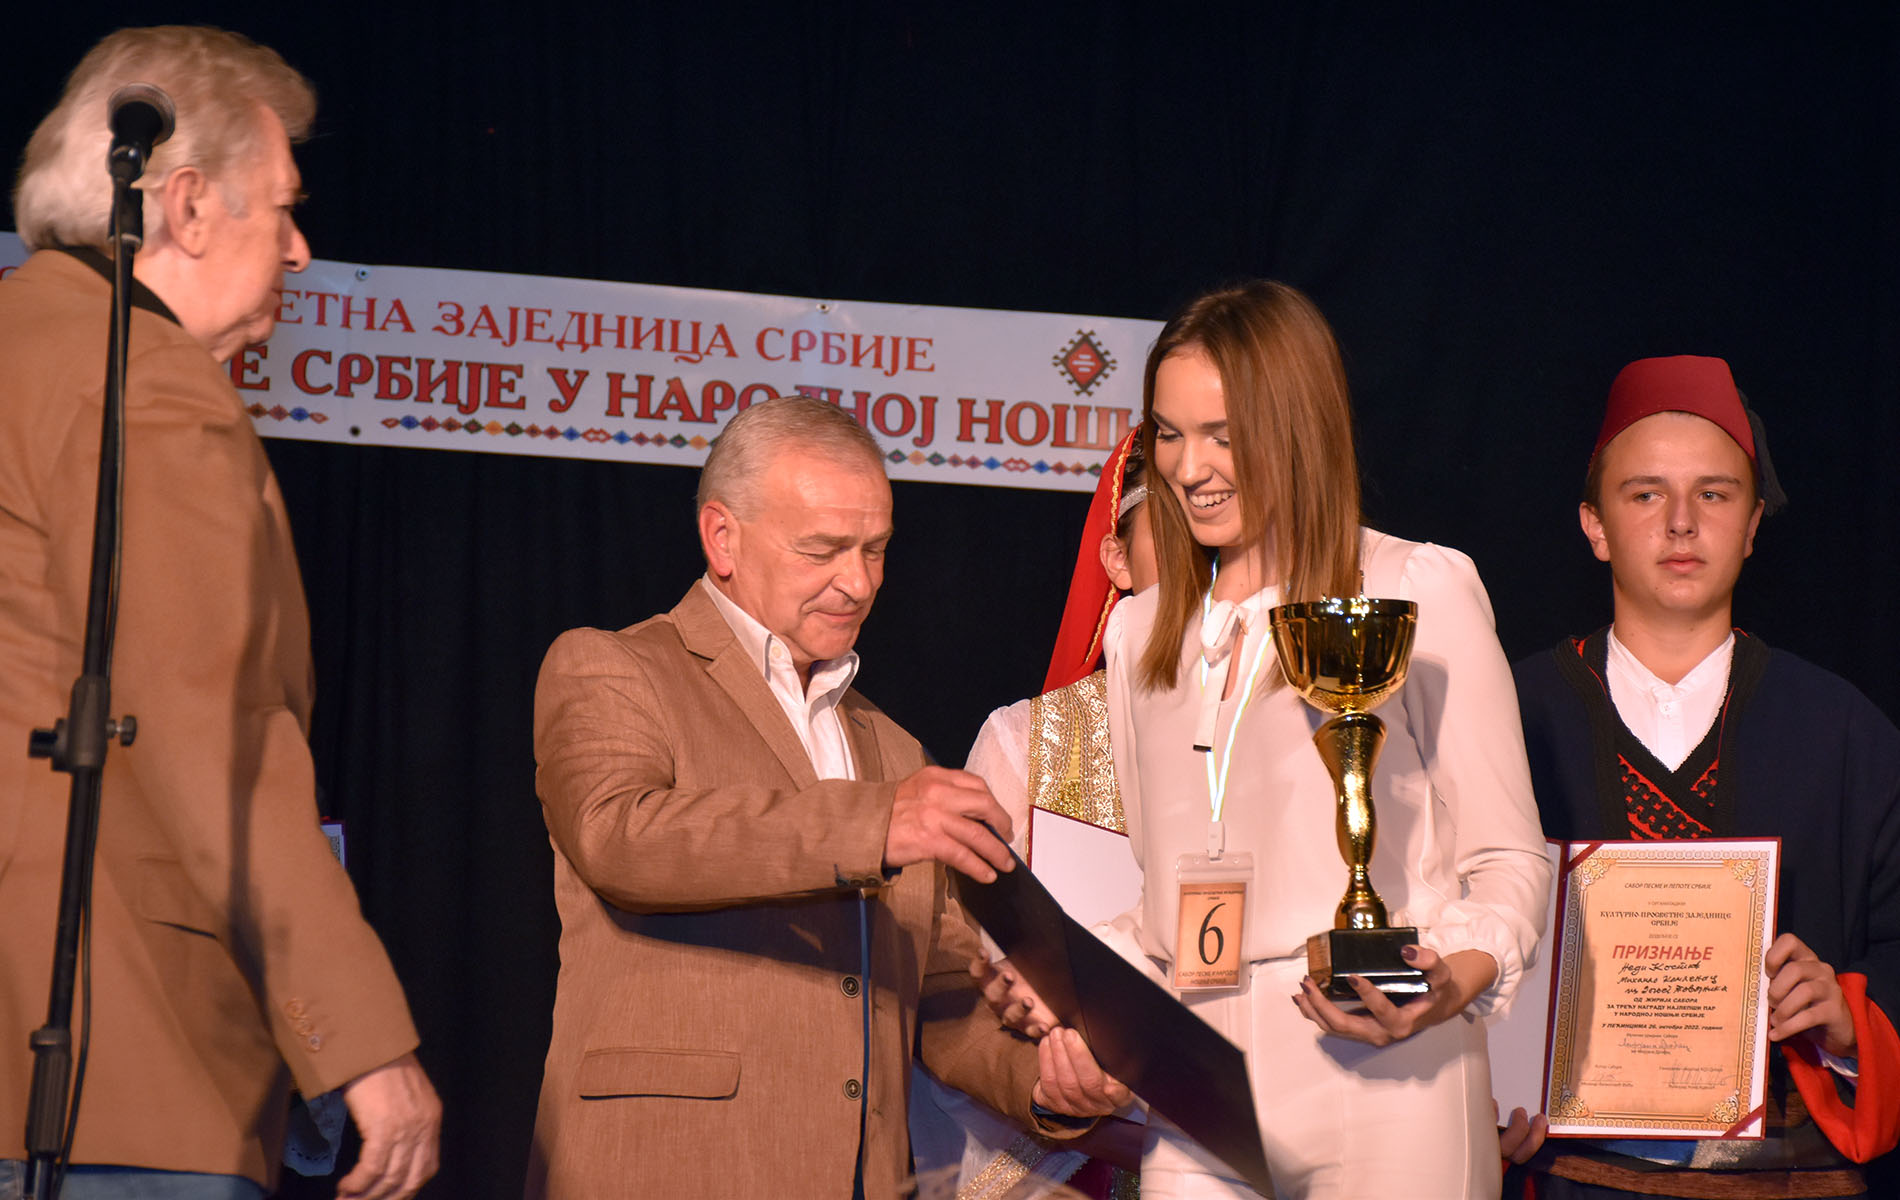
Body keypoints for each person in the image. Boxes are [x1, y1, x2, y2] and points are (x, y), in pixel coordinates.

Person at [0, 26, 439, 1200]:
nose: (299, 249)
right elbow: (214, 741)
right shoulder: (142, 386)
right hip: (114, 1065)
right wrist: (361, 1042)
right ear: (187, 207)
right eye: (283, 209)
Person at [525, 396, 1128, 1200]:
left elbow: (944, 985)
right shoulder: (613, 669)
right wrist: (876, 822)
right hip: (663, 1168)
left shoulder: (894, 749)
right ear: (722, 537)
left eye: (875, 549)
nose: (859, 582)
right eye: (823, 550)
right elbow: (622, 837)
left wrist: (1045, 1084)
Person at [1100, 280, 1551, 1198]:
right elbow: (1161, 898)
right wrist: (1060, 979)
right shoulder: (1139, 630)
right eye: (1170, 434)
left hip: (1388, 1069)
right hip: (1200, 1071)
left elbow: (1508, 857)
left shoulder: (1416, 587)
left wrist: (1447, 986)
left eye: (1224, 435)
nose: (1190, 468)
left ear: (1297, 426)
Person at [1504, 355, 1900, 1198]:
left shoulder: (1846, 732)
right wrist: (1481, 1082)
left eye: (1713, 495)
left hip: (1793, 1180)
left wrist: (1850, 1020)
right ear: (1594, 525)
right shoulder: (1508, 716)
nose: (1681, 523)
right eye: (1646, 494)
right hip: (1571, 1176)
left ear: (1752, 525)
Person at [910, 430, 1154, 1199]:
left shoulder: (1292, 745)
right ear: (1118, 559)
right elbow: (961, 985)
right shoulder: (1027, 744)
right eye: (1177, 534)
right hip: (1064, 1156)